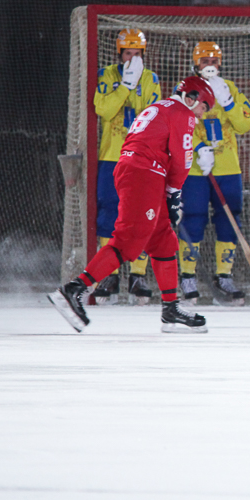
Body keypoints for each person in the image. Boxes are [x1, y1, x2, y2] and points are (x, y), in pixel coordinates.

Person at [49, 77, 214, 334]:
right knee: (129, 241)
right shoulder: (183, 113)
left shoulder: (161, 107)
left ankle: (170, 309)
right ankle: (73, 290)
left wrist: (168, 193)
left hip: (137, 170)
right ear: (192, 98)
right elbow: (182, 159)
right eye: (204, 107)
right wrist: (174, 194)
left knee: (162, 240)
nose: (201, 115)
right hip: (144, 174)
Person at [178, 41, 250, 306]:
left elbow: (246, 123)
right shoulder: (186, 88)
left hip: (228, 169)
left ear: (220, 63)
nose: (209, 66)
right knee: (194, 218)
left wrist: (229, 103)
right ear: (195, 63)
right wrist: (200, 148)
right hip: (196, 170)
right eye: (204, 61)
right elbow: (178, 124)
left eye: (213, 61)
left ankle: (223, 277)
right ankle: (187, 277)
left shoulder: (229, 88)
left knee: (229, 219)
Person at [93, 28, 163, 304]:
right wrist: (124, 85)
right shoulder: (107, 75)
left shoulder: (151, 79)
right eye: (127, 53)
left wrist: (136, 85)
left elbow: (154, 116)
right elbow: (105, 110)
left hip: (141, 157)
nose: (132, 59)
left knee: (141, 214)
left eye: (137, 54)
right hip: (112, 155)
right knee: (109, 213)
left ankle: (137, 273)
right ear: (119, 53)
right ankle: (108, 274)